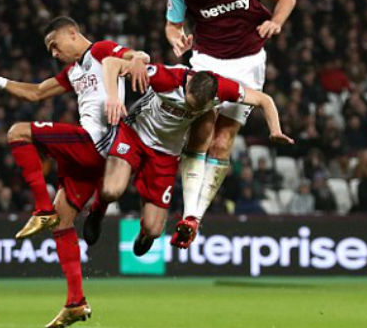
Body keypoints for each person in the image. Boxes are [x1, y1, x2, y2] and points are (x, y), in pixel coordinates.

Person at [0, 15, 149, 328]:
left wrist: (141, 59)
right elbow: (36, 92)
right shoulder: (73, 72)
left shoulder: (101, 50)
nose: (53, 52)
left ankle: (41, 207)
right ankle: (76, 302)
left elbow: (133, 56)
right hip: (88, 158)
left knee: (17, 132)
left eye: (54, 45)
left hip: (95, 142)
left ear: (73, 34)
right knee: (63, 224)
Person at [164, 0, 296, 239]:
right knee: (202, 133)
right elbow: (172, 25)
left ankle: (196, 217)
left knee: (223, 143)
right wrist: (176, 40)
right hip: (207, 61)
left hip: (248, 62)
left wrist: (275, 22)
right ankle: (189, 216)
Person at [85, 57, 293, 254]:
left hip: (167, 153)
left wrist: (275, 130)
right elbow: (111, 63)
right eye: (189, 101)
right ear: (187, 87)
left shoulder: (223, 89)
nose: (189, 108)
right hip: (135, 135)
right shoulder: (165, 77)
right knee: (112, 191)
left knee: (154, 230)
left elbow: (264, 99)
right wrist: (113, 97)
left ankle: (144, 233)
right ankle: (97, 211)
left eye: (196, 108)